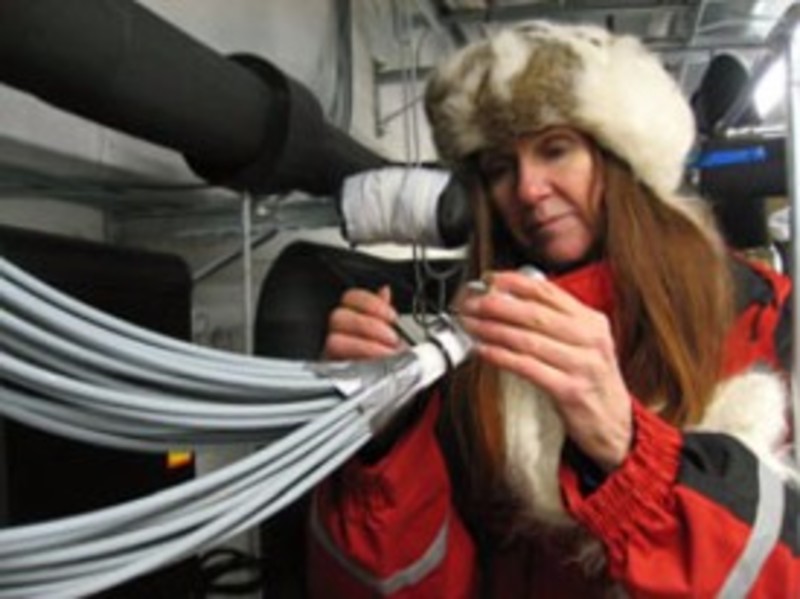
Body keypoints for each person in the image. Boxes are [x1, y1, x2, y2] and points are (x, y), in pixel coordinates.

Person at [306, 20, 799, 598]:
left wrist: (631, 453)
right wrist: (385, 445)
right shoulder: (475, 356)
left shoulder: (765, 316)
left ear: (619, 158)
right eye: (500, 168)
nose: (527, 189)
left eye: (556, 149)